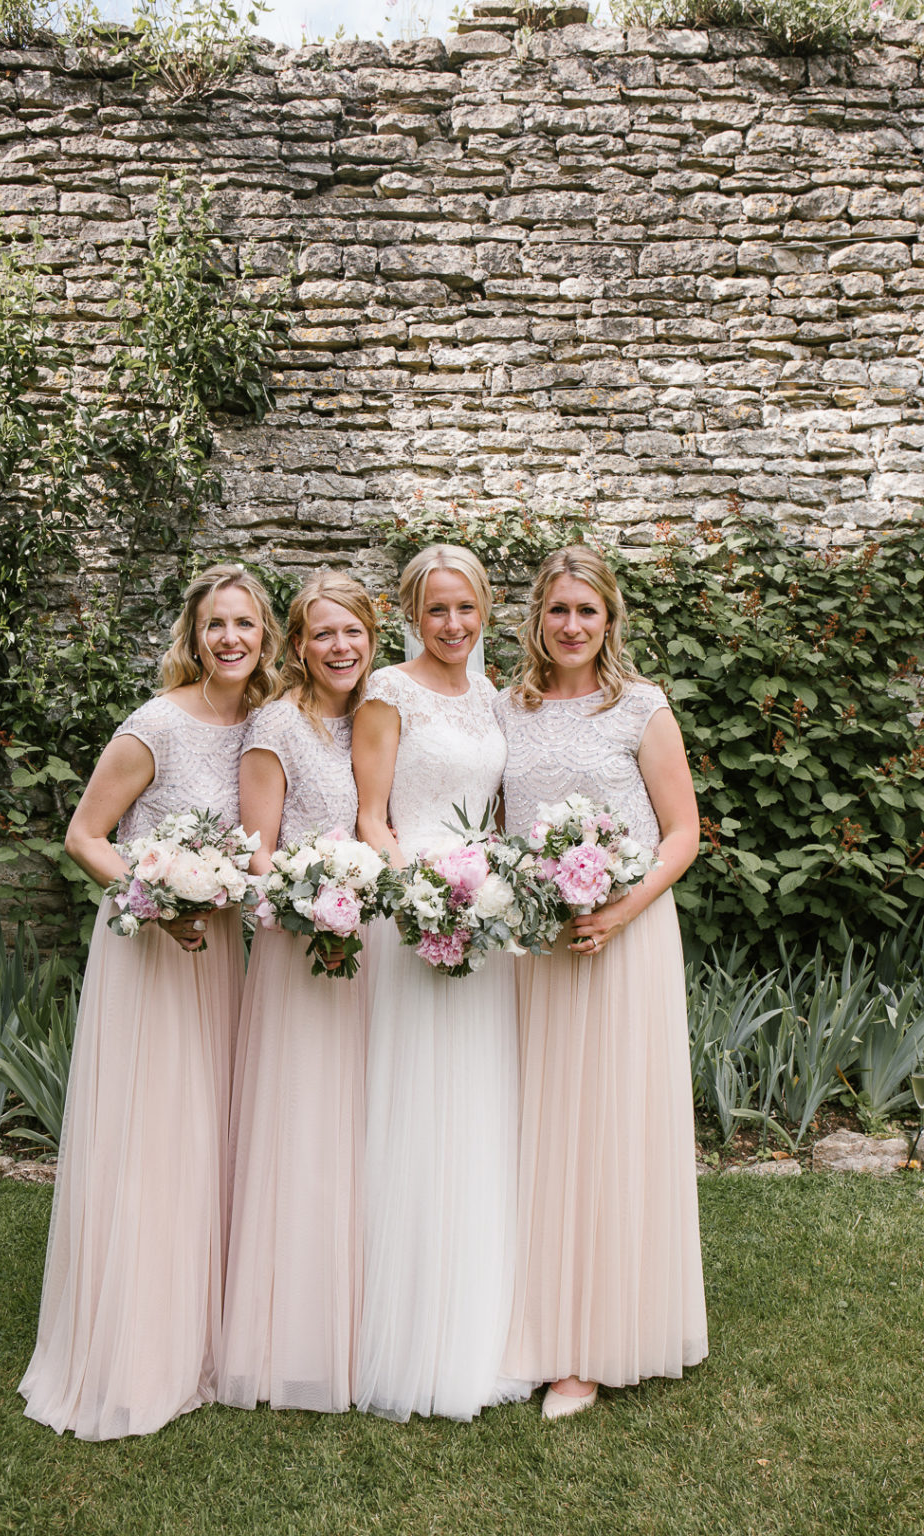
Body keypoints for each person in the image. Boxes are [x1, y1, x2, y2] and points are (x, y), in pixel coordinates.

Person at [19, 564, 281, 1441]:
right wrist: (158, 897)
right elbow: (85, 837)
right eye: (216, 626)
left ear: (264, 634)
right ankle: (134, 1351)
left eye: (245, 624)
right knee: (153, 1137)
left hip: (218, 962)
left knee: (208, 1134)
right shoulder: (154, 727)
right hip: (153, 952)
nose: (231, 639)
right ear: (193, 636)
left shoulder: (262, 727)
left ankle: (200, 1332)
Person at [497, 545, 708, 1420]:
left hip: (625, 939)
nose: (573, 625)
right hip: (538, 947)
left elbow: (684, 831)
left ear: (609, 618)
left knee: (613, 1127)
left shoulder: (642, 708)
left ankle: (593, 1343)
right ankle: (528, 1322)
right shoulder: (508, 709)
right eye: (558, 611)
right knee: (538, 1129)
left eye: (588, 610)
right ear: (537, 619)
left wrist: (620, 910)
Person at [351, 545, 529, 1422]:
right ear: (412, 616)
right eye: (436, 612)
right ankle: (409, 1329)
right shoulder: (390, 692)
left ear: (484, 609)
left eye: (465, 609)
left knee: (477, 1114)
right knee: (416, 1115)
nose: (453, 626)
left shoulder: (495, 696)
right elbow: (371, 816)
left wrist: (483, 887)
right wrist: (426, 893)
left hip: (481, 922)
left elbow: (497, 813)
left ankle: (482, 1319)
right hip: (413, 917)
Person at [217, 572, 377, 1413]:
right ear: (298, 644)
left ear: (372, 635)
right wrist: (318, 903)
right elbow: (256, 853)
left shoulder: (366, 720)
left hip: (361, 950)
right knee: (302, 1127)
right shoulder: (275, 725)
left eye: (352, 631)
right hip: (301, 946)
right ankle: (287, 1341)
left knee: (354, 1132)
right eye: (322, 635)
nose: (339, 648)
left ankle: (356, 1321)